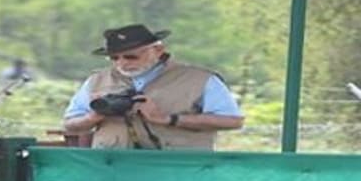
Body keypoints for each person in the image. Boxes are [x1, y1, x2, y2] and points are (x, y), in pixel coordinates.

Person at [62, 24, 244, 150]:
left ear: (158, 50)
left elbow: (232, 121)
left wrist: (167, 119)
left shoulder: (200, 79)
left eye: (131, 56)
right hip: (113, 169)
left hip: (179, 169)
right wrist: (93, 117)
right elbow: (70, 124)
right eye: (114, 58)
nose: (122, 63)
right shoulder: (97, 80)